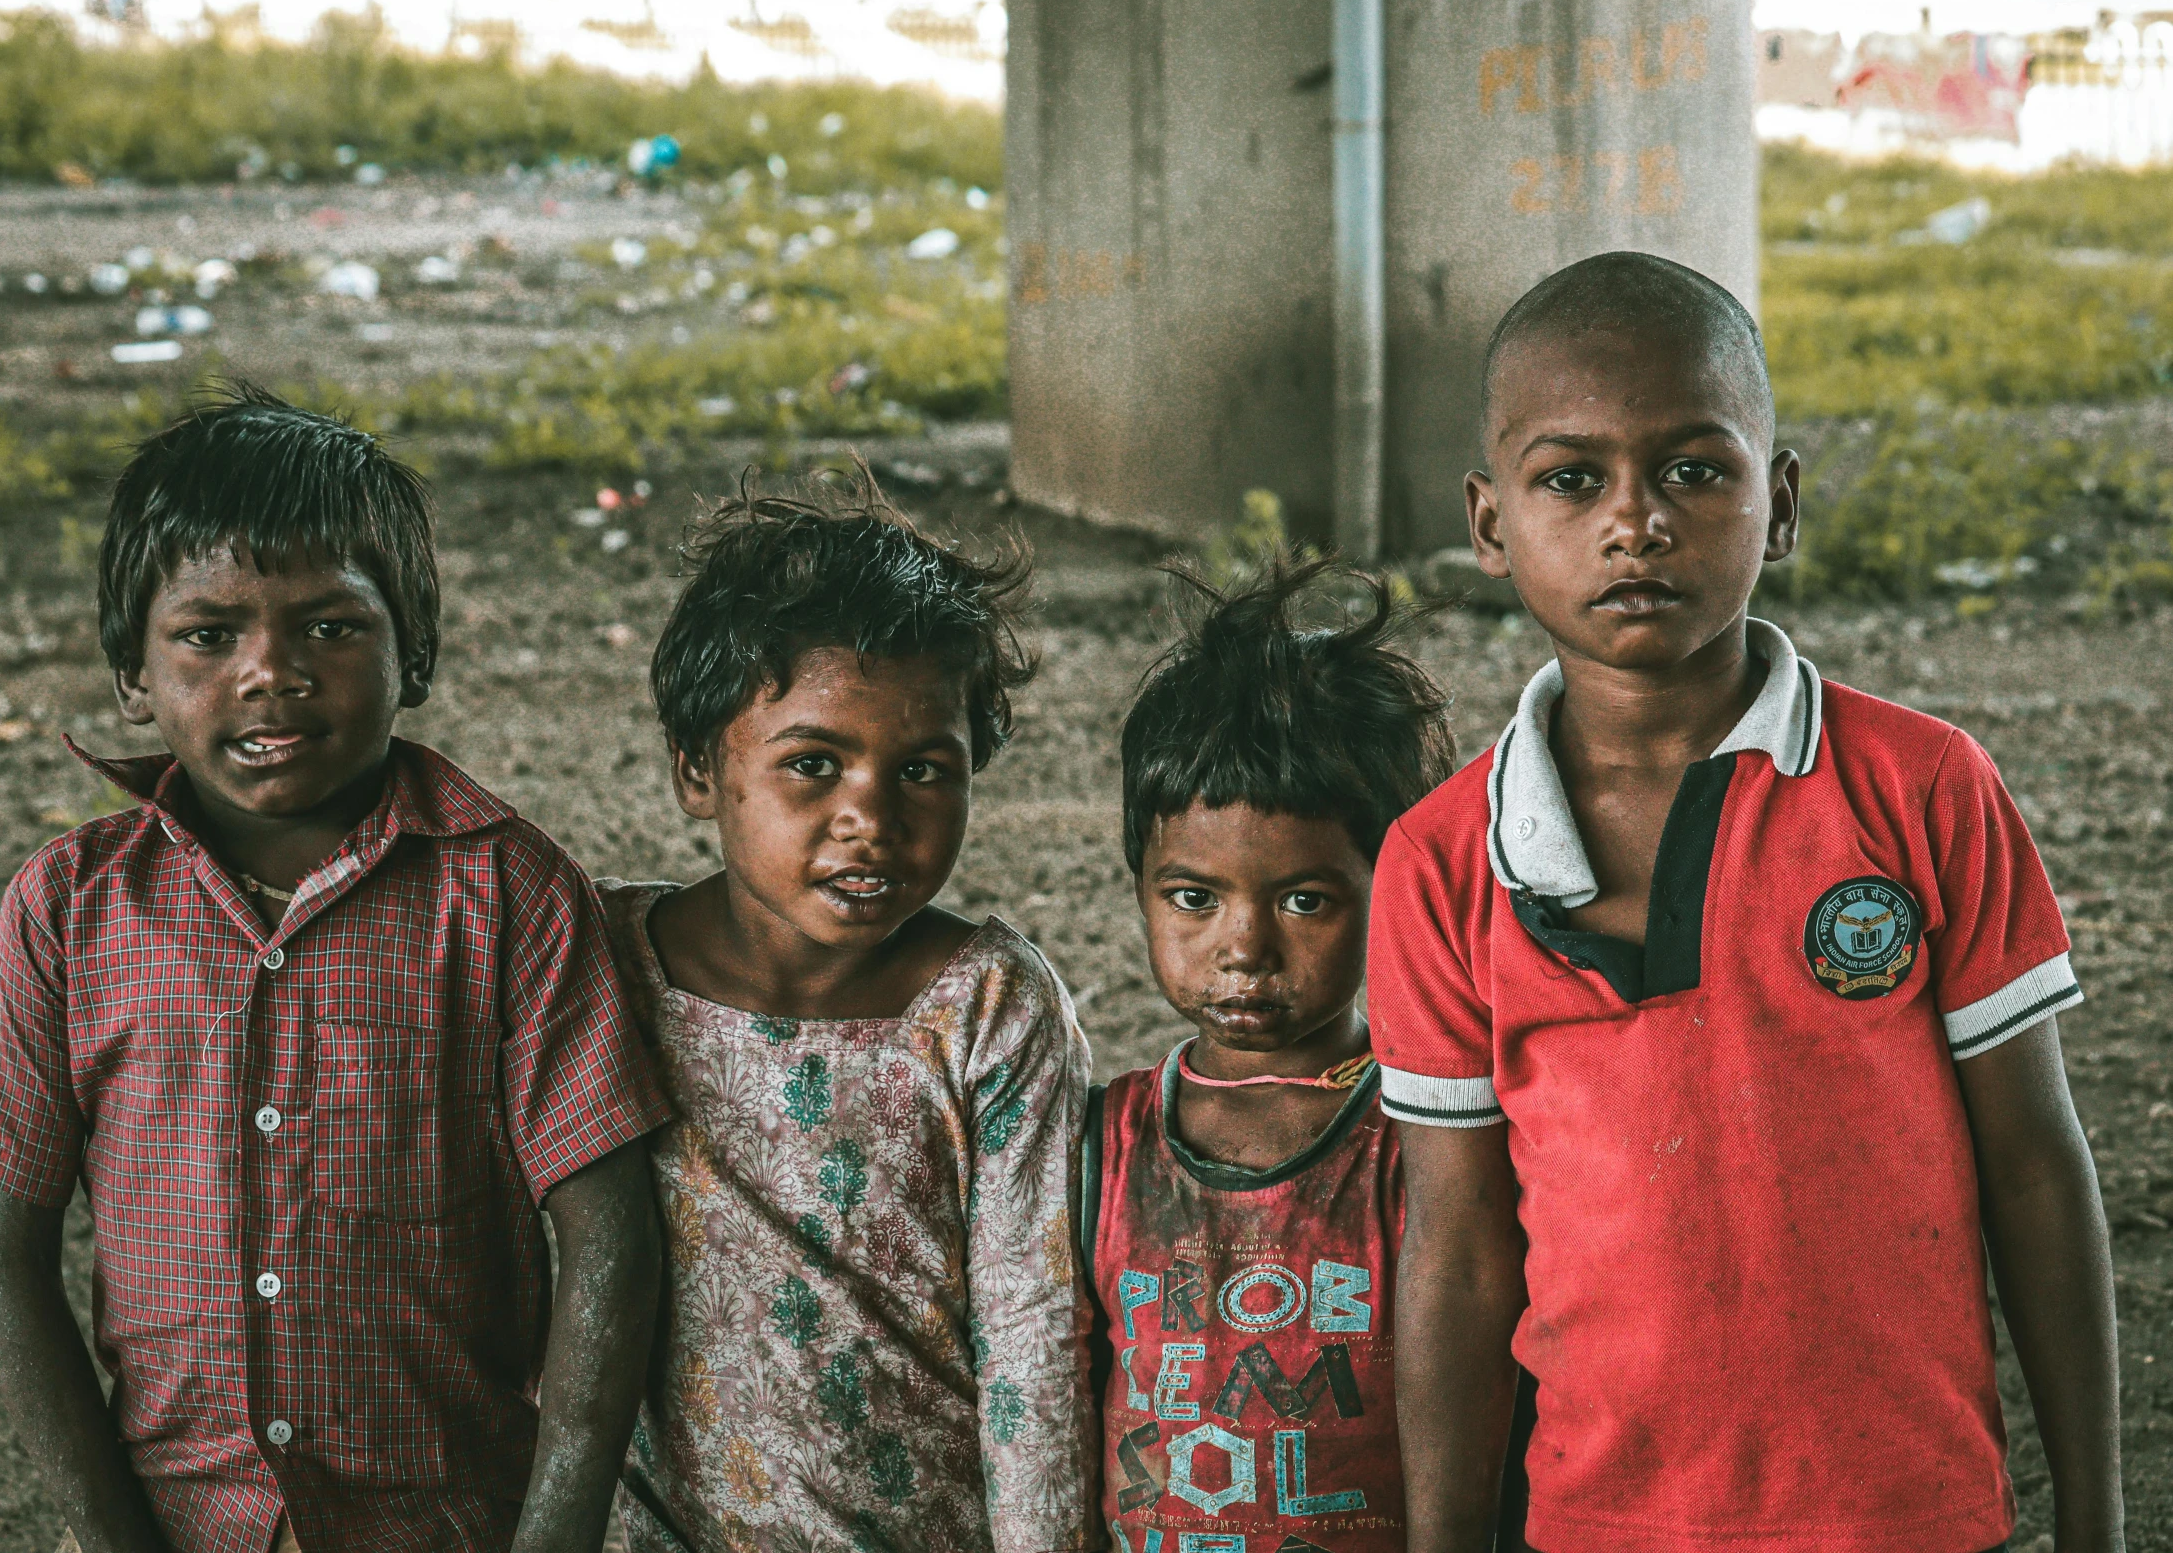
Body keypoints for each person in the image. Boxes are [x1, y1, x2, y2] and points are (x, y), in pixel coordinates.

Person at [1377, 252, 2124, 1553]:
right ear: (1489, 522)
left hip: (1908, 1514)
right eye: (1570, 478)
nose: (1636, 520)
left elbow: (2034, 1166)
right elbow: (1456, 1249)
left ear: (1777, 505)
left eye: (1691, 469)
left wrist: (2098, 1520)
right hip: (1601, 1517)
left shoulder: (1919, 789)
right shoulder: (1441, 863)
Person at [0, 385, 672, 1553]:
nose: (270, 672)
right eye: (208, 634)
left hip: (451, 1520)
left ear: (412, 650)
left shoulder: (509, 893)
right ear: (134, 668)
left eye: (330, 627)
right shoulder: (69, 908)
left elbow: (609, 1232)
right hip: (179, 1523)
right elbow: (2, 1253)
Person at [596, 481, 1097, 1553]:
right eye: (812, 765)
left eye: (922, 771)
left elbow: (1031, 1332)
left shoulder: (986, 1005)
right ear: (697, 769)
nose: (869, 817)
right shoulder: (602, 969)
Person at [1085, 556, 1454, 1553]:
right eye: (1193, 898)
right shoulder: (1104, 1144)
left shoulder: (1422, 1137)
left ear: (1397, 894)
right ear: (1141, 887)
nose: (1243, 946)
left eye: (1305, 899)